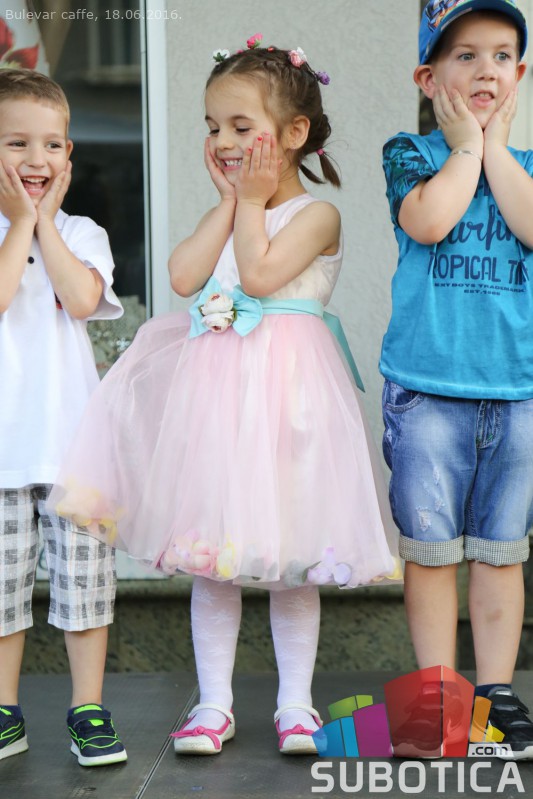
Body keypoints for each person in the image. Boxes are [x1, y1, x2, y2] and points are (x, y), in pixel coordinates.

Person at [49, 38, 401, 756]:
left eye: (242, 126)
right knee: (213, 558)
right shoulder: (234, 208)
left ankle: (296, 705)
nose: (224, 141)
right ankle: (213, 704)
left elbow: (260, 274)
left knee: (292, 559)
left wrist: (250, 203)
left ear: (294, 133)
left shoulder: (317, 215)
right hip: (219, 409)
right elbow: (183, 277)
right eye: (213, 127)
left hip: (291, 408)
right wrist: (229, 203)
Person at [381, 0, 533, 759]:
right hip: (428, 390)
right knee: (432, 550)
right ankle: (437, 695)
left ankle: (495, 695)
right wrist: (467, 147)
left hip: (517, 391)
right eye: (465, 55)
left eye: (501, 56)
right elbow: (430, 221)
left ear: (520, 74)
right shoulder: (409, 154)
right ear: (428, 77)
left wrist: (494, 149)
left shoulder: (525, 165)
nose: (485, 70)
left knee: (502, 551)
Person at [0, 69, 126, 766]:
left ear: (69, 156)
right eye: (16, 142)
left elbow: (80, 299)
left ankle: (88, 709)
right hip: (4, 450)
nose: (35, 158)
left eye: (51, 144)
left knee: (85, 586)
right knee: (2, 592)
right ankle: (4, 711)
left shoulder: (82, 232)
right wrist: (20, 220)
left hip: (73, 448)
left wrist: (43, 221)